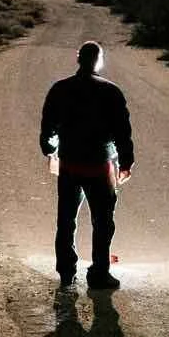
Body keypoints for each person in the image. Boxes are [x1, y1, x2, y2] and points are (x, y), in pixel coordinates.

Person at [39, 40, 135, 287]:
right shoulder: (111, 91)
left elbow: (48, 127)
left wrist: (50, 150)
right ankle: (99, 272)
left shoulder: (60, 89)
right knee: (103, 222)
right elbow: (122, 131)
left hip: (69, 164)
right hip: (99, 166)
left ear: (78, 59)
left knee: (66, 220)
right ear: (98, 61)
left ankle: (66, 272)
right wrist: (126, 161)